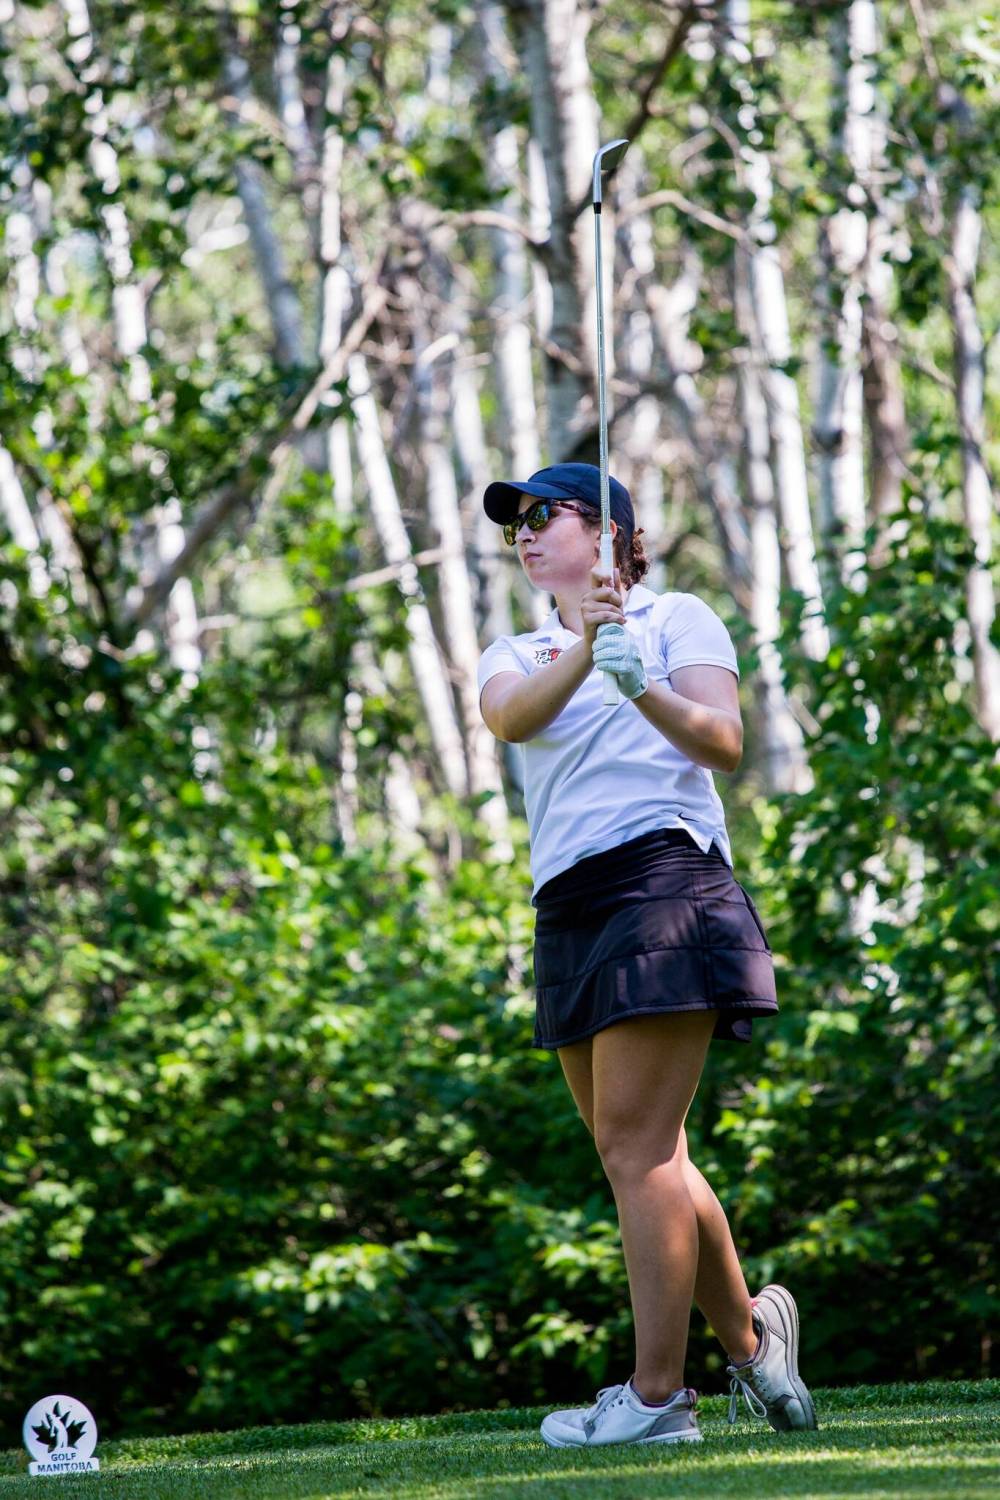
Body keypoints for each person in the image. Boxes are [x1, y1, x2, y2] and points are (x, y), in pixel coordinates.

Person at [476, 462, 817, 1448]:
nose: (527, 536)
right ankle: (754, 1345)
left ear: (612, 532)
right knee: (648, 1157)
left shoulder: (676, 618)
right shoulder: (520, 645)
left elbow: (720, 740)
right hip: (569, 903)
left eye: (546, 516)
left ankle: (659, 1401)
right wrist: (588, 650)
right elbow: (509, 717)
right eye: (517, 526)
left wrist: (642, 681)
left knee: (637, 1152)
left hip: (664, 883)